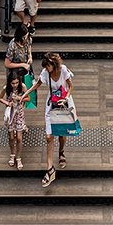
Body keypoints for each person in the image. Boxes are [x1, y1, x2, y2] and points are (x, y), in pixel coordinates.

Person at [36, 52, 78, 188]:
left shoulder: (63, 70)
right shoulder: (45, 72)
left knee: (61, 134)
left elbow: (71, 86)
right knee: (49, 136)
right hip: (51, 104)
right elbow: (37, 84)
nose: (47, 68)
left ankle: (61, 153)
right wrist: (25, 93)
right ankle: (50, 169)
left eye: (48, 66)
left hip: (63, 103)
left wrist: (66, 98)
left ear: (53, 64)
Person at [0, 68, 33, 169]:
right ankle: (12, 154)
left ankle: (18, 157)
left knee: (19, 137)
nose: (15, 85)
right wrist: (8, 103)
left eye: (17, 82)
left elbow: (28, 98)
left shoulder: (23, 87)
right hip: (11, 114)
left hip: (20, 114)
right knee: (11, 137)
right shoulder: (6, 88)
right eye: (13, 83)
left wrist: (20, 98)